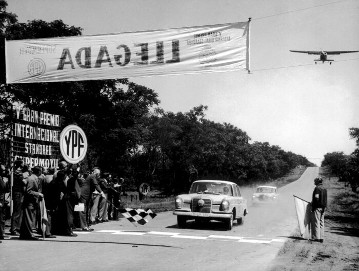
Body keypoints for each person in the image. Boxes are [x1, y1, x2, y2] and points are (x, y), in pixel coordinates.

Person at [19, 166, 43, 240]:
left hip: (31, 201)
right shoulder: (32, 179)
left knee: (26, 218)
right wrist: (38, 194)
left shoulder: (33, 178)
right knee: (29, 218)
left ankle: (23, 234)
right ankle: (29, 234)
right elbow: (28, 191)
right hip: (29, 201)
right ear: (39, 172)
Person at [9, 160, 27, 236]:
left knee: (18, 211)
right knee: (17, 211)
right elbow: (24, 182)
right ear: (20, 164)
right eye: (23, 163)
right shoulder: (18, 172)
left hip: (18, 192)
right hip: (18, 192)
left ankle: (15, 227)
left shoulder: (15, 172)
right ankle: (14, 229)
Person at [311, 177, 327, 243]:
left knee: (316, 222)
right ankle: (321, 238)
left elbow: (316, 198)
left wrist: (313, 206)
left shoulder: (317, 188)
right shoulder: (324, 188)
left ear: (318, 182)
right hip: (323, 208)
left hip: (317, 207)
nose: (314, 182)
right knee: (321, 223)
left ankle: (317, 238)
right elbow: (325, 199)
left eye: (315, 181)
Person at [0, 163, 9, 242]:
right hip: (0, 201)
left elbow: (6, 190)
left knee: (2, 218)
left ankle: (1, 233)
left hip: (2, 201)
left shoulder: (2, 178)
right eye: (2, 170)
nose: (4, 172)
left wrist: (6, 182)